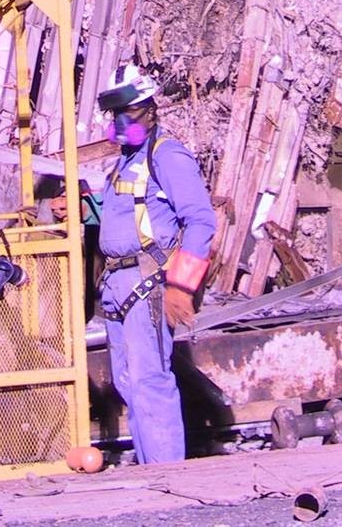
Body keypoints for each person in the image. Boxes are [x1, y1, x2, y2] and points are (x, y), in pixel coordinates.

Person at [96, 63, 217, 464]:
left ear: (148, 109)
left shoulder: (167, 155)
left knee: (150, 381)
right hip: (117, 285)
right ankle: (150, 475)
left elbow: (200, 221)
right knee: (129, 383)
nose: (118, 122)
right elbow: (125, 214)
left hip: (146, 284)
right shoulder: (127, 159)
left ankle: (167, 477)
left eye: (125, 113)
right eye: (114, 114)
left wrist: (181, 286)